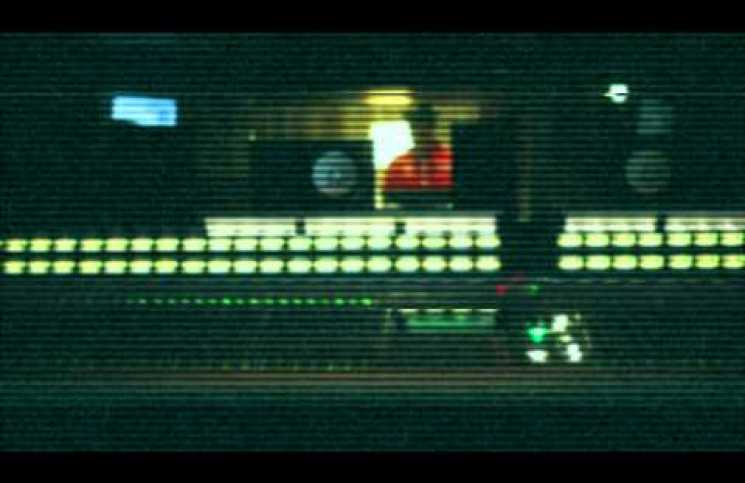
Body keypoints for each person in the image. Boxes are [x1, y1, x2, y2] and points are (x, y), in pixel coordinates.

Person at [383, 104, 453, 204]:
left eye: (426, 125)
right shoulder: (398, 164)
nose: (420, 129)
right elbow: (389, 199)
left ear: (433, 127)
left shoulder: (451, 161)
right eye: (416, 125)